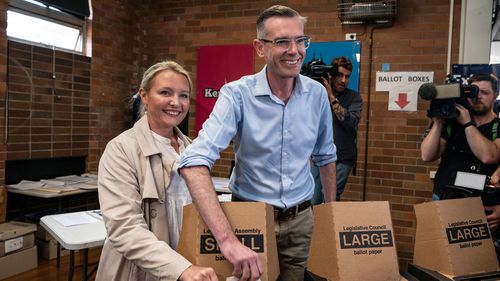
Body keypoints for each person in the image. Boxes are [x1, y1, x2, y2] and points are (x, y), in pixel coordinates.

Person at [178, 5, 337, 281]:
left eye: (301, 41)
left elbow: (326, 156)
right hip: (249, 220)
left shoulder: (317, 96)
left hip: (302, 220)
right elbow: (193, 162)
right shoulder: (237, 95)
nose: (294, 50)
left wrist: (331, 214)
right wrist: (227, 240)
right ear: (260, 48)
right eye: (282, 41)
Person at [96, 61, 217, 281]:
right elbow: (125, 229)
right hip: (141, 270)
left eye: (183, 95)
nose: (176, 103)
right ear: (144, 95)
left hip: (189, 262)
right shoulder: (121, 149)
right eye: (165, 92)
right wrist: (181, 269)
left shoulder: (191, 149)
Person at [421, 73, 500, 201]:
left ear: (495, 96)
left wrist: (467, 124)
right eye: (472, 92)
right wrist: (438, 123)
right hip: (444, 194)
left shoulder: (497, 126)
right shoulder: (452, 122)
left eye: (484, 92)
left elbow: (489, 157)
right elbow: (427, 155)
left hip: (479, 200)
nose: (477, 96)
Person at [311, 56, 362, 203]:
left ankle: (326, 226)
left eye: (347, 76)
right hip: (319, 156)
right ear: (331, 75)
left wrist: (331, 97)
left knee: (330, 201)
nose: (343, 80)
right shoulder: (318, 95)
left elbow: (351, 121)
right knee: (313, 199)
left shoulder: (354, 97)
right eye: (340, 75)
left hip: (342, 157)